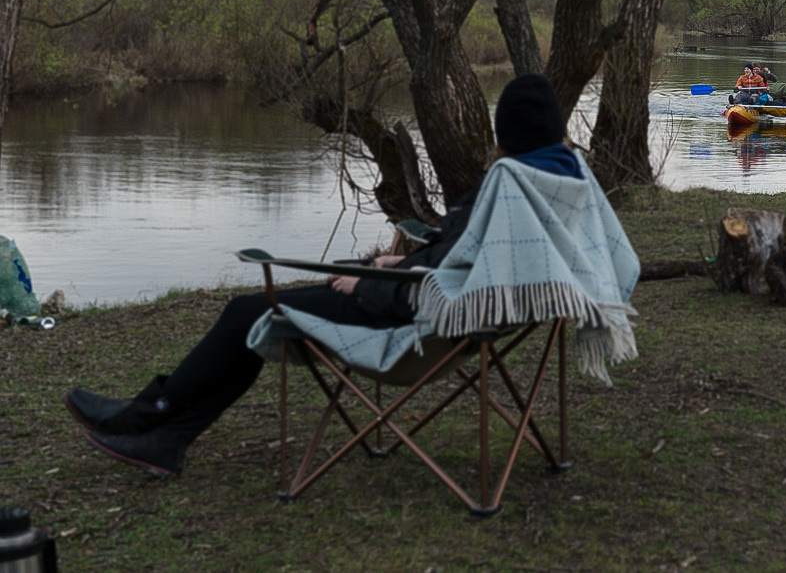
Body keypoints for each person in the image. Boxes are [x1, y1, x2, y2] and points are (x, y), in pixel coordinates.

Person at [64, 74, 610, 478]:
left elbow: (445, 281)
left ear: (506, 133)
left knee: (248, 312)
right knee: (295, 296)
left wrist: (371, 284)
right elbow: (469, 258)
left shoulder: (509, 183)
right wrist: (398, 263)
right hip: (469, 319)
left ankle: (152, 415)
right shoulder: (561, 179)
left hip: (415, 324)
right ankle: (166, 433)